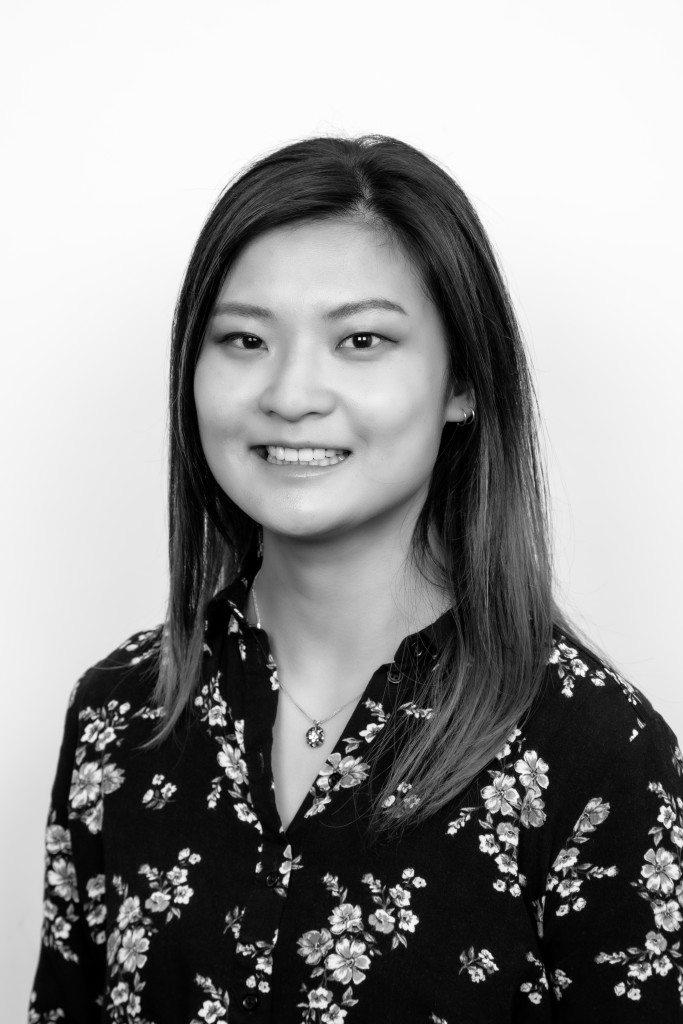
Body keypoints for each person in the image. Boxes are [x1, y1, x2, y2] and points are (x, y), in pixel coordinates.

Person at [29, 135, 683, 1024]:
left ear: (463, 383)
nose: (291, 392)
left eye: (361, 339)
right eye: (244, 339)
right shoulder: (118, 715)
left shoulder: (600, 755)